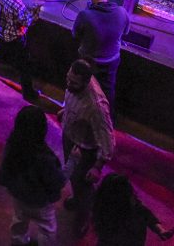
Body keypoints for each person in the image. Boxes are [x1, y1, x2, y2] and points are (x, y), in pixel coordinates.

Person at [59, 60, 115, 238]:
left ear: (86, 82)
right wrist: (65, 111)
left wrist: (97, 166)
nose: (68, 84)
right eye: (68, 79)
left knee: (83, 185)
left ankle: (84, 217)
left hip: (85, 150)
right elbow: (71, 98)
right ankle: (77, 199)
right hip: (70, 137)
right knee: (74, 179)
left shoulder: (96, 107)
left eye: (73, 83)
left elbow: (108, 140)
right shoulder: (75, 85)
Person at [0, 105, 66, 246]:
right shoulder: (44, 157)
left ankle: (18, 241)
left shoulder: (12, 144)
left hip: (19, 195)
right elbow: (57, 181)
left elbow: (5, 168)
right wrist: (73, 162)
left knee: (19, 220)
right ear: (42, 129)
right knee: (47, 228)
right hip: (40, 202)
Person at [72, 0, 130, 110]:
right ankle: (108, 118)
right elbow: (125, 32)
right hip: (111, 60)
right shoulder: (122, 12)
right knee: (108, 90)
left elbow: (75, 35)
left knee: (82, 86)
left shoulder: (85, 15)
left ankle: (78, 111)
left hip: (87, 60)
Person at [0, 0, 40, 101]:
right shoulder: (18, 4)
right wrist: (35, 11)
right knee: (25, 65)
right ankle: (29, 94)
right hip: (12, 38)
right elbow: (26, 22)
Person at [92, 173, 174, 245]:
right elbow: (146, 215)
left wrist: (160, 230)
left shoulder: (102, 210)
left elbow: (146, 214)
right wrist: (160, 230)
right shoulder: (133, 209)